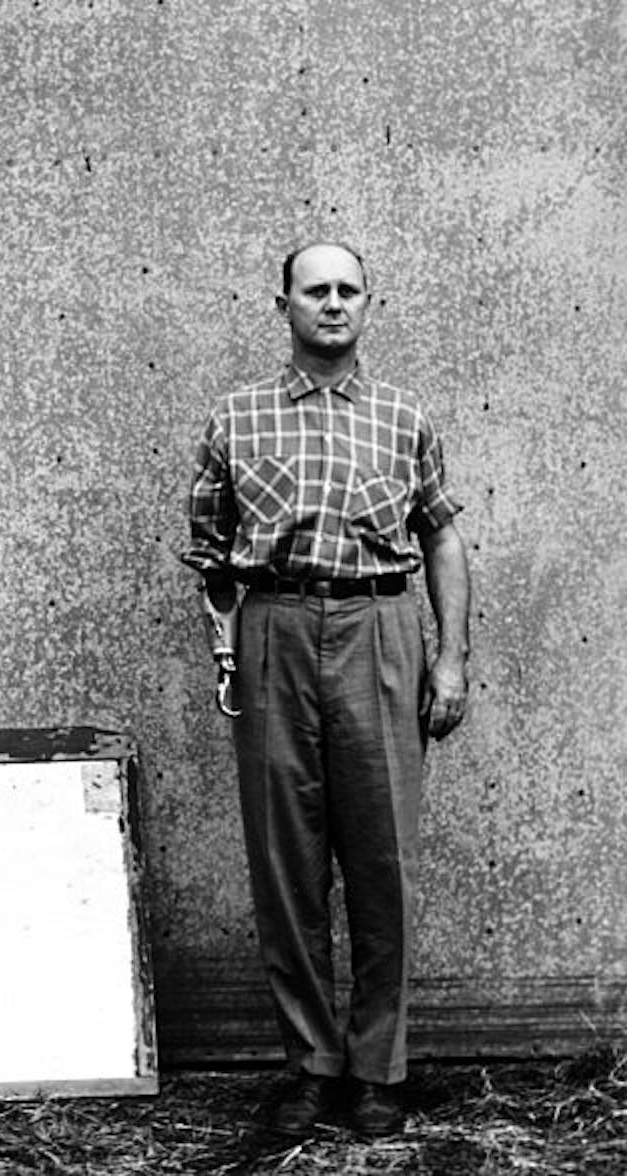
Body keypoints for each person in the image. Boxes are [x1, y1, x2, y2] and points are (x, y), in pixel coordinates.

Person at [183, 242, 470, 1138]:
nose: (333, 303)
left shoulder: (404, 417)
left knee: (384, 862)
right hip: (273, 630)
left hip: (380, 630)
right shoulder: (236, 418)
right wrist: (232, 647)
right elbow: (208, 553)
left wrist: (450, 659)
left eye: (349, 290)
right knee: (287, 862)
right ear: (285, 306)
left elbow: (442, 538)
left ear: (369, 304)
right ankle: (309, 1065)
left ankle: (378, 1070)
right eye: (316, 291)